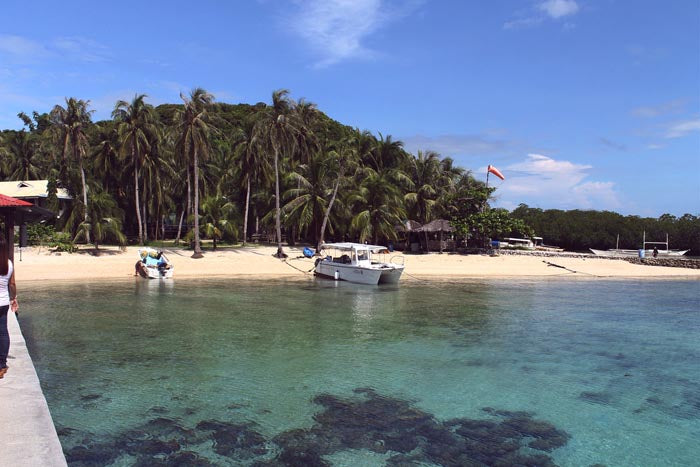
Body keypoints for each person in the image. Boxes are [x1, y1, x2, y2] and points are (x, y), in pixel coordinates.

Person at [0, 234, 19, 379]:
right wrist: (14, 298)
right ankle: (1, 366)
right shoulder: (8, 263)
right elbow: (12, 284)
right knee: (3, 332)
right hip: (3, 303)